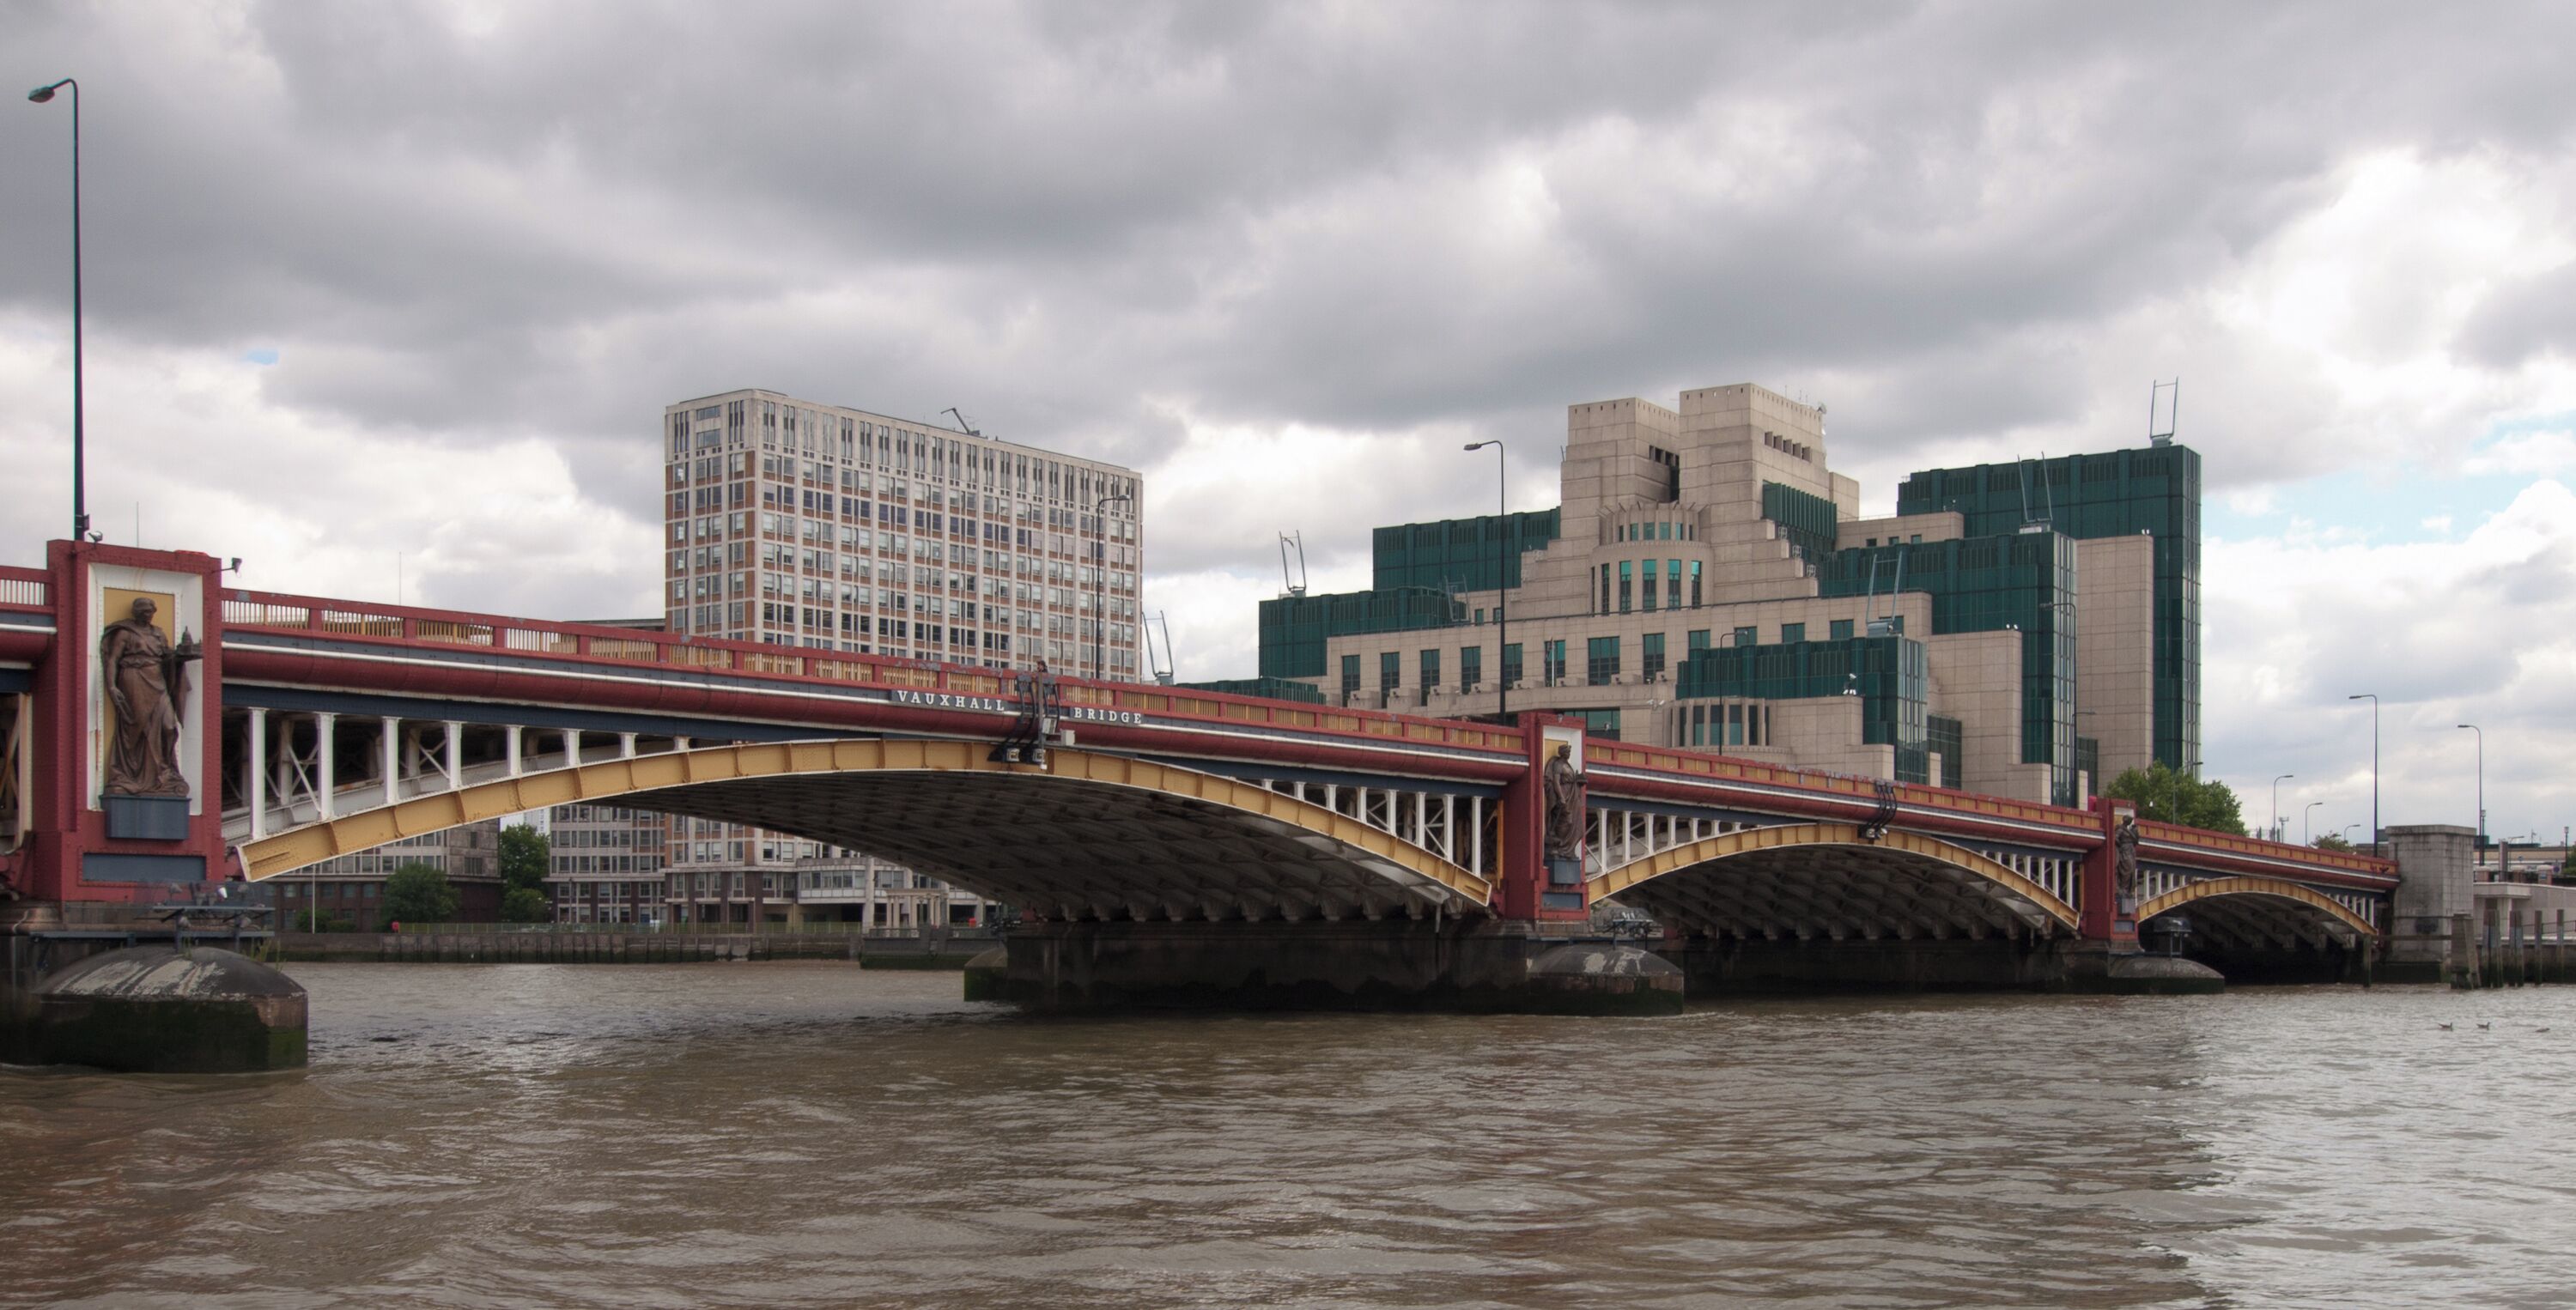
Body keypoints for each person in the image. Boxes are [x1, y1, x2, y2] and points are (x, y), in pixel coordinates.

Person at [99, 597, 200, 797]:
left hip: (157, 680)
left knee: (168, 725)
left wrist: (181, 656)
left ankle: (164, 771)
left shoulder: (158, 633)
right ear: (136, 612)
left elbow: (167, 658)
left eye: (151, 612)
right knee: (137, 724)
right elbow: (112, 660)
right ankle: (132, 773)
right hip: (134, 678)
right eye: (145, 612)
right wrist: (111, 686)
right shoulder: (125, 633)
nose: (149, 615)